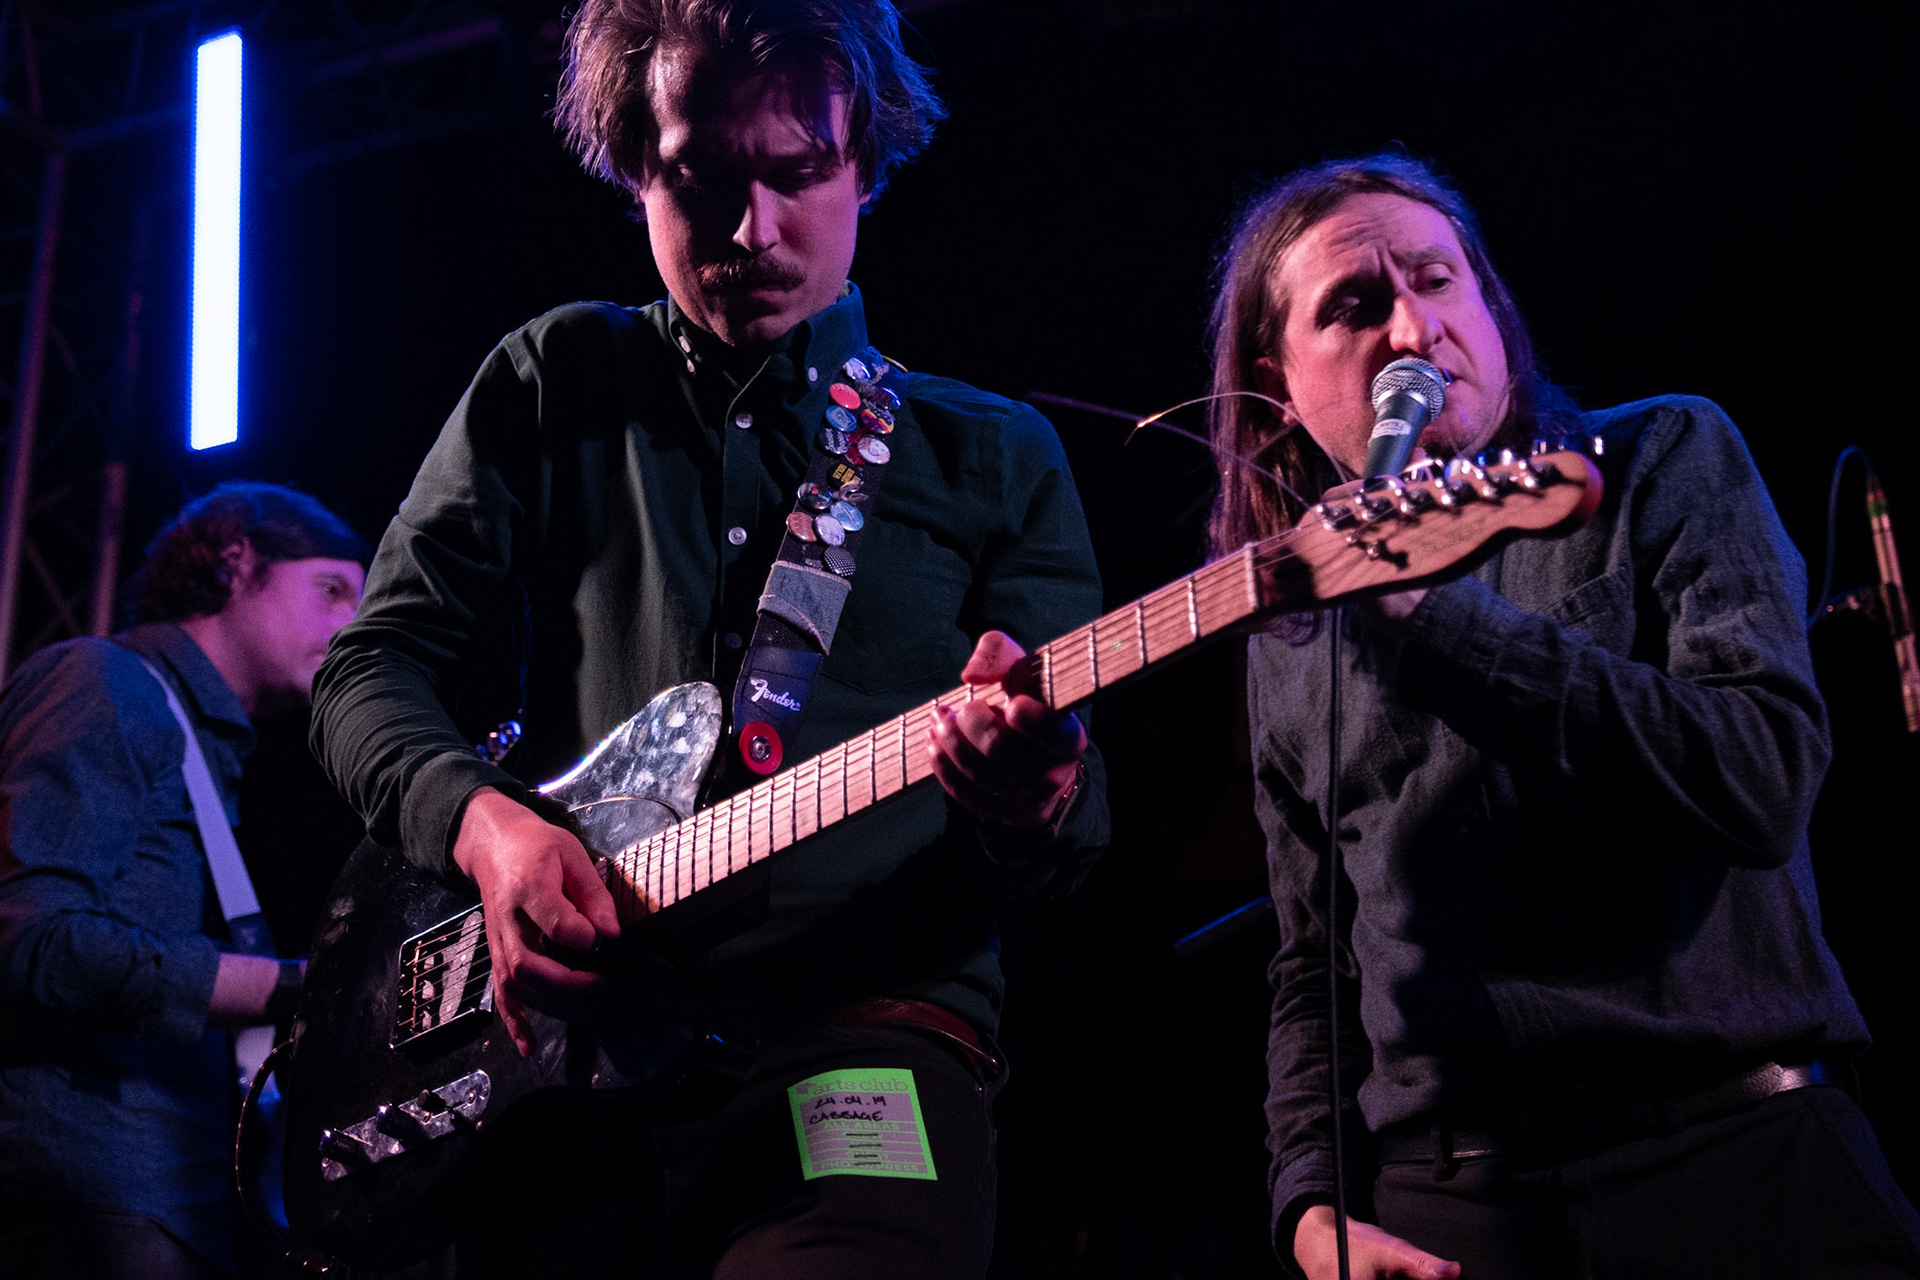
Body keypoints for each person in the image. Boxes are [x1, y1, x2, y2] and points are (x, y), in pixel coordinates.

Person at [307, 1, 1106, 1275]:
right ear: (635, 169)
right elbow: (366, 668)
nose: (752, 230)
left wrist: (1034, 792)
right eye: (700, 179)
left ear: (867, 160)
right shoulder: (550, 379)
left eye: (797, 174)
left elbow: (1076, 832)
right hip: (561, 1069)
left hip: (864, 1047)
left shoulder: (995, 454)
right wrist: (488, 824)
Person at [1207, 153, 1920, 1280]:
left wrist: (1435, 619)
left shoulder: (1660, 456)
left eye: (1436, 281)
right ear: (1277, 382)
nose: (1411, 331)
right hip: (1455, 1200)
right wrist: (1308, 1201)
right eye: (1355, 306)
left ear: (1488, 305)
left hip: (1740, 1160)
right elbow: (1312, 963)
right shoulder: (1288, 638)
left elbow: (1762, 775)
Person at [0, 482, 366, 1280]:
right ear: (237, 562)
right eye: (331, 591)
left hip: (169, 1203)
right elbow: (28, 940)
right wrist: (300, 987)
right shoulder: (106, 683)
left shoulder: (210, 754)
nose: (351, 626)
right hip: (84, 1188)